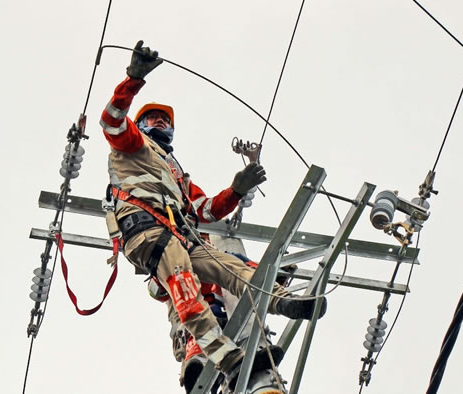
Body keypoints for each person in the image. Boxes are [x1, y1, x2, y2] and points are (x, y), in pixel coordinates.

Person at [100, 40, 326, 390]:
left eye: (164, 120)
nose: (159, 122)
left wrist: (236, 190)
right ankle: (229, 361)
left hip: (178, 235)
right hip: (147, 232)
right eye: (151, 118)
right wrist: (134, 78)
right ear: (141, 125)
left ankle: (284, 301)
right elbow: (111, 120)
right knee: (186, 290)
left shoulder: (175, 173)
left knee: (231, 267)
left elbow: (205, 210)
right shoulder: (131, 145)